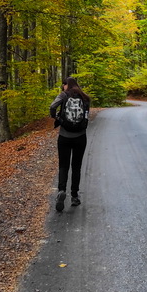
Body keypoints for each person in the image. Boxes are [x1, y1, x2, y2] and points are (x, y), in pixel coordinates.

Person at [49, 77, 90, 212]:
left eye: (64, 85)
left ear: (67, 85)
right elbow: (86, 116)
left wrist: (58, 118)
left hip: (64, 136)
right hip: (80, 137)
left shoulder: (63, 95)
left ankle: (61, 191)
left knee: (63, 166)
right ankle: (74, 196)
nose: (63, 87)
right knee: (76, 167)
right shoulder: (84, 97)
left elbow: (52, 106)